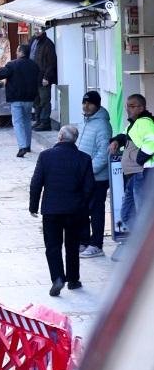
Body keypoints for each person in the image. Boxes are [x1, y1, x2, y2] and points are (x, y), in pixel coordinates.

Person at [29, 124, 95, 296]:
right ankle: (73, 280)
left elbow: (37, 182)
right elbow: (89, 187)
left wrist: (33, 206)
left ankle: (57, 277)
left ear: (59, 137)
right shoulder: (84, 158)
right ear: (75, 139)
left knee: (53, 246)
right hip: (74, 210)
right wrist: (83, 206)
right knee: (72, 245)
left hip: (51, 210)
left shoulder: (45, 156)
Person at [110, 94, 154, 244]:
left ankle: (145, 246)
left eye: (132, 106)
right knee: (128, 213)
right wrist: (116, 140)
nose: (128, 109)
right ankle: (141, 245)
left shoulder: (144, 123)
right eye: (127, 106)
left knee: (142, 213)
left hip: (142, 173)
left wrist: (139, 159)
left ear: (141, 108)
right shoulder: (133, 124)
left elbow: (152, 141)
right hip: (133, 175)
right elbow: (125, 135)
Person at [76, 91, 113, 258]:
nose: (86, 106)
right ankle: (83, 241)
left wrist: (88, 172)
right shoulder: (84, 122)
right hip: (84, 176)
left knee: (96, 210)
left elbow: (103, 154)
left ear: (97, 105)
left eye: (90, 103)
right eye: (84, 103)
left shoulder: (102, 125)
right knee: (82, 210)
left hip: (97, 177)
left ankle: (96, 244)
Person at [0, 44, 41, 158]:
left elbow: (1, 75)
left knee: (18, 123)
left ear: (21, 52)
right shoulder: (34, 65)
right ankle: (27, 145)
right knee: (27, 121)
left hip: (16, 98)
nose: (16, 53)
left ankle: (22, 146)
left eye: (17, 51)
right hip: (30, 98)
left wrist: (0, 67)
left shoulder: (12, 64)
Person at [31, 28, 58, 132]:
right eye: (35, 29)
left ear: (43, 30)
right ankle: (38, 120)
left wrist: (47, 77)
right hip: (34, 76)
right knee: (36, 100)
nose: (36, 31)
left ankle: (45, 122)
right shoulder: (33, 40)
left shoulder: (48, 44)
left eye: (39, 29)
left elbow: (52, 62)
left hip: (44, 77)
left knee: (45, 100)